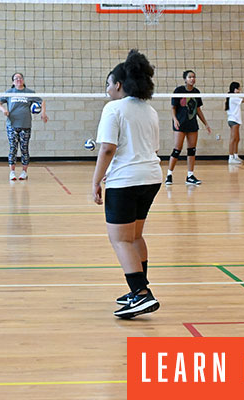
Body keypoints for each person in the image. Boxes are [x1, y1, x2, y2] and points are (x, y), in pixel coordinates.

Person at [92, 49, 162, 319]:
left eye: (108, 83)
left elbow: (107, 149)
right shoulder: (150, 109)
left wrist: (96, 181)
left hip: (127, 181)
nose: (107, 89)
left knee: (120, 238)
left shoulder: (114, 108)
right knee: (134, 236)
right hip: (151, 177)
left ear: (118, 85)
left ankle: (142, 294)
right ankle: (138, 290)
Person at [0, 73, 48, 181]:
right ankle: (12, 172)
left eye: (20, 78)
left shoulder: (29, 93)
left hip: (25, 125)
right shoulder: (9, 93)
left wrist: (43, 113)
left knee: (24, 149)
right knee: (13, 148)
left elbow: (42, 102)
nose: (18, 80)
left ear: (23, 80)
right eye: (16, 78)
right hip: (12, 125)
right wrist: (3, 110)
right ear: (13, 82)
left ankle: (24, 172)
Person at [165, 70, 212, 186]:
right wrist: (175, 120)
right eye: (190, 77)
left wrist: (205, 123)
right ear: (185, 79)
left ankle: (190, 176)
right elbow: (173, 108)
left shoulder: (196, 92)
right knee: (177, 149)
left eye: (194, 77)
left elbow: (198, 109)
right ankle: (169, 175)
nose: (192, 79)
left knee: (192, 150)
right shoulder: (179, 91)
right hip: (180, 124)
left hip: (192, 124)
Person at [225, 82, 244, 164]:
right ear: (235, 89)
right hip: (234, 120)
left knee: (237, 138)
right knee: (233, 139)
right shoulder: (234, 97)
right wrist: (241, 94)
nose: (239, 90)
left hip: (236, 120)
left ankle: (235, 156)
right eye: (239, 88)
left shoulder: (234, 97)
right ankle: (231, 157)